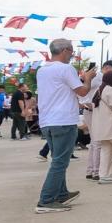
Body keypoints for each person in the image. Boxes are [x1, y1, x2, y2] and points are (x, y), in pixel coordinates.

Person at [34, 39, 96, 213]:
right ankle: (46, 200)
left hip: (48, 121)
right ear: (65, 51)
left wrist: (81, 79)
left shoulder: (42, 70)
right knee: (60, 162)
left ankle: (61, 193)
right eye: (72, 51)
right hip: (63, 120)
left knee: (57, 159)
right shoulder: (66, 68)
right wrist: (88, 79)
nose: (73, 54)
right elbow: (82, 91)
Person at [83, 60, 112, 181]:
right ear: (106, 68)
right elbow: (82, 90)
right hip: (92, 111)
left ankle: (91, 170)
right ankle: (96, 171)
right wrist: (85, 103)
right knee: (98, 142)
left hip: (92, 111)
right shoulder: (97, 77)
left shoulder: (102, 80)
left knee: (95, 142)